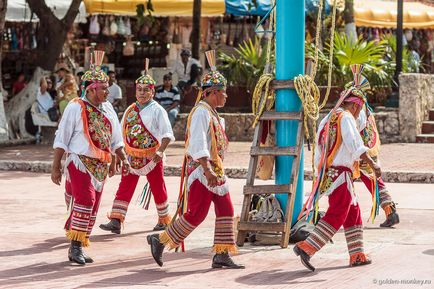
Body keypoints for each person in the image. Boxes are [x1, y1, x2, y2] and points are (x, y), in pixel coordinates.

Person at [147, 50, 244, 269]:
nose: (226, 96)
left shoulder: (211, 112)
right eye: (223, 92)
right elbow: (198, 143)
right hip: (203, 171)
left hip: (213, 169)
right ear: (211, 93)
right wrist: (207, 169)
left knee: (226, 210)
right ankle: (160, 240)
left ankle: (221, 253)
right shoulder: (201, 112)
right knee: (196, 214)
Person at [293, 64, 381, 271]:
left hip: (331, 172)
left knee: (353, 212)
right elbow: (355, 145)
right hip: (340, 173)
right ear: (356, 106)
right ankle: (307, 247)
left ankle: (357, 254)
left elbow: (320, 146)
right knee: (339, 212)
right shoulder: (346, 117)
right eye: (359, 108)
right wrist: (373, 164)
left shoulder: (329, 117)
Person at [51, 50, 129, 265]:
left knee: (93, 208)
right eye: (103, 88)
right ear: (90, 89)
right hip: (80, 162)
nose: (107, 92)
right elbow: (62, 138)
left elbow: (115, 138)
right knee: (86, 201)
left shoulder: (108, 108)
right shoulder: (76, 107)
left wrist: (119, 158)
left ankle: (80, 242)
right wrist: (56, 167)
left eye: (106, 88)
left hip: (100, 165)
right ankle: (74, 247)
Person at [100, 59, 175, 234]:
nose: (142, 93)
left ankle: (164, 220)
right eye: (139, 89)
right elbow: (119, 133)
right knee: (125, 185)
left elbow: (167, 134)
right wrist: (118, 157)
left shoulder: (158, 110)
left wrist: (160, 151)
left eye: (146, 90)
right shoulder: (130, 110)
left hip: (152, 157)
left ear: (152, 92)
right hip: (131, 156)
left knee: (158, 186)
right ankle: (116, 220)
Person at [356, 105, 400, 228]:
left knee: (340, 184)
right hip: (368, 152)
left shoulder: (357, 109)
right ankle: (390, 211)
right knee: (375, 182)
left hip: (360, 154)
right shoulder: (366, 108)